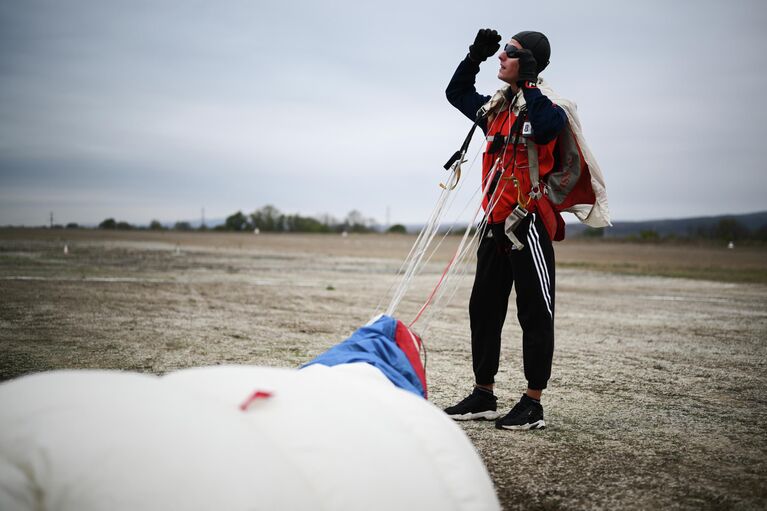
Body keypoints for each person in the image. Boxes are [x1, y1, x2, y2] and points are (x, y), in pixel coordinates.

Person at [443, 29, 568, 430]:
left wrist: (529, 84)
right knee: (483, 308)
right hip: (494, 224)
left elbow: (549, 128)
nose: (501, 56)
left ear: (528, 63)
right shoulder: (496, 110)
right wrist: (473, 56)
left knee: (534, 312)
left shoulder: (547, 108)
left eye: (509, 53)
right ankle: (484, 394)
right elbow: (456, 93)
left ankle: (533, 403)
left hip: (527, 223)